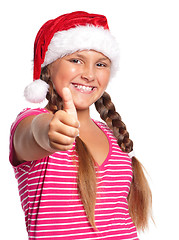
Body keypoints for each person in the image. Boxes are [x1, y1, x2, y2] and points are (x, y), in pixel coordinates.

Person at [10, 11, 152, 240]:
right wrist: (49, 132)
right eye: (76, 60)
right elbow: (33, 133)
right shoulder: (31, 121)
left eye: (101, 64)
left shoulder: (114, 135)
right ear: (48, 69)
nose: (89, 74)